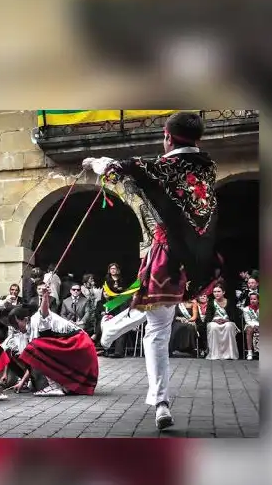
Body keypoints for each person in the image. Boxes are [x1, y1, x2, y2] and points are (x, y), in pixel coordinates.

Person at [88, 111, 219, 430]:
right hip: (201, 258)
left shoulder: (161, 167)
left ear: (168, 137)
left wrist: (93, 162)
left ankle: (159, 399)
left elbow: (117, 168)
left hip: (168, 256)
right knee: (160, 319)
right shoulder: (209, 167)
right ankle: (114, 334)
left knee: (158, 329)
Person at [8, 287, 99, 397]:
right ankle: (58, 384)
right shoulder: (29, 328)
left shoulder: (38, 319)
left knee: (33, 348)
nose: (16, 328)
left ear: (25, 319)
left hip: (79, 345)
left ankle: (52, 386)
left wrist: (45, 297)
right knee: (32, 349)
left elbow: (44, 312)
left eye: (16, 324)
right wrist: (22, 382)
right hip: (76, 347)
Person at [101, 263, 131, 358]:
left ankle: (119, 351)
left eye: (114, 268)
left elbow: (127, 293)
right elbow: (104, 295)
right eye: (111, 269)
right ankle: (107, 350)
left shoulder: (123, 280)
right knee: (108, 326)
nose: (113, 270)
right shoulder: (107, 280)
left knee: (120, 326)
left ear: (118, 270)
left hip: (122, 305)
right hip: (111, 305)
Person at [204, 285, 240, 360]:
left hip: (227, 321)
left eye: (218, 291)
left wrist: (226, 320)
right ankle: (215, 354)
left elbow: (234, 316)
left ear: (223, 292)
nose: (216, 293)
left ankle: (229, 354)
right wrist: (215, 320)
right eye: (214, 292)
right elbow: (208, 317)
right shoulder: (211, 303)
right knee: (213, 327)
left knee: (229, 326)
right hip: (214, 321)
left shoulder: (230, 302)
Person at [242, 292, 260, 360]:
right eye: (251, 299)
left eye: (254, 299)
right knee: (249, 330)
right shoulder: (246, 309)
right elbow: (248, 320)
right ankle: (250, 352)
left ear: (258, 300)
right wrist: (255, 326)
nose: (252, 301)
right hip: (250, 325)